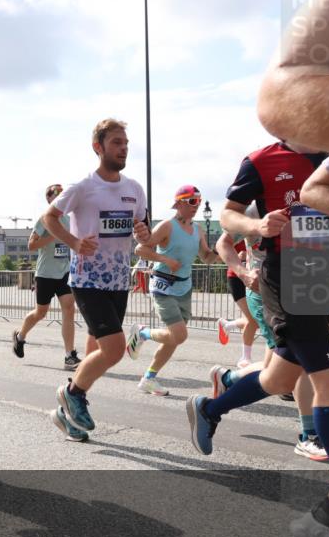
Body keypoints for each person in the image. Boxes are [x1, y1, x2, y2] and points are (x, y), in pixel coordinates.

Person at [256, 0, 329, 537]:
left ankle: (322, 520)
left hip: (319, 279)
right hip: (283, 277)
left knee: (284, 375)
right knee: (322, 382)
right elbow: (279, 97)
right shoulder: (264, 159)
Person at [41, 118, 151, 441]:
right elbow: (49, 217)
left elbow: (143, 231)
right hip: (88, 280)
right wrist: (74, 243)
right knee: (115, 350)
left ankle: (68, 416)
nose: (123, 148)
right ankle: (72, 393)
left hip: (119, 281)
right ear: (98, 147)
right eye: (117, 142)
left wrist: (144, 233)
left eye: (126, 143)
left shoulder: (134, 189)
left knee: (95, 352)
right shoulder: (83, 188)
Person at [212, 218, 323, 461]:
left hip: (301, 295)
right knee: (300, 361)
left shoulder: (314, 202)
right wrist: (242, 273)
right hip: (265, 295)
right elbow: (223, 243)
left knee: (280, 370)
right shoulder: (258, 201)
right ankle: (309, 435)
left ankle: (227, 378)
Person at [126, 185, 219, 395]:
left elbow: (206, 258)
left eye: (199, 200)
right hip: (163, 285)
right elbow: (141, 248)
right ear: (179, 203)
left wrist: (220, 251)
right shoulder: (167, 226)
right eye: (192, 201)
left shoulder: (198, 230)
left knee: (173, 338)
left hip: (184, 287)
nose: (196, 206)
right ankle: (143, 333)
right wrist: (164, 258)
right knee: (179, 335)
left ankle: (148, 378)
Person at [12, 183, 80, 370]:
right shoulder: (44, 219)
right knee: (40, 313)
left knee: (69, 309)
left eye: (62, 195)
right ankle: (20, 336)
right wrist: (54, 236)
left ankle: (69, 356)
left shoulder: (70, 219)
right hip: (45, 274)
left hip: (64, 272)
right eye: (56, 196)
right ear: (49, 199)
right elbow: (31, 245)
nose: (60, 199)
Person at [216, 238, 258, 367]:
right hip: (237, 278)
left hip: (256, 277)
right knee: (253, 319)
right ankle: (245, 358)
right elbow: (219, 254)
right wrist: (238, 257)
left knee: (257, 319)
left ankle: (227, 325)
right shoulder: (235, 232)